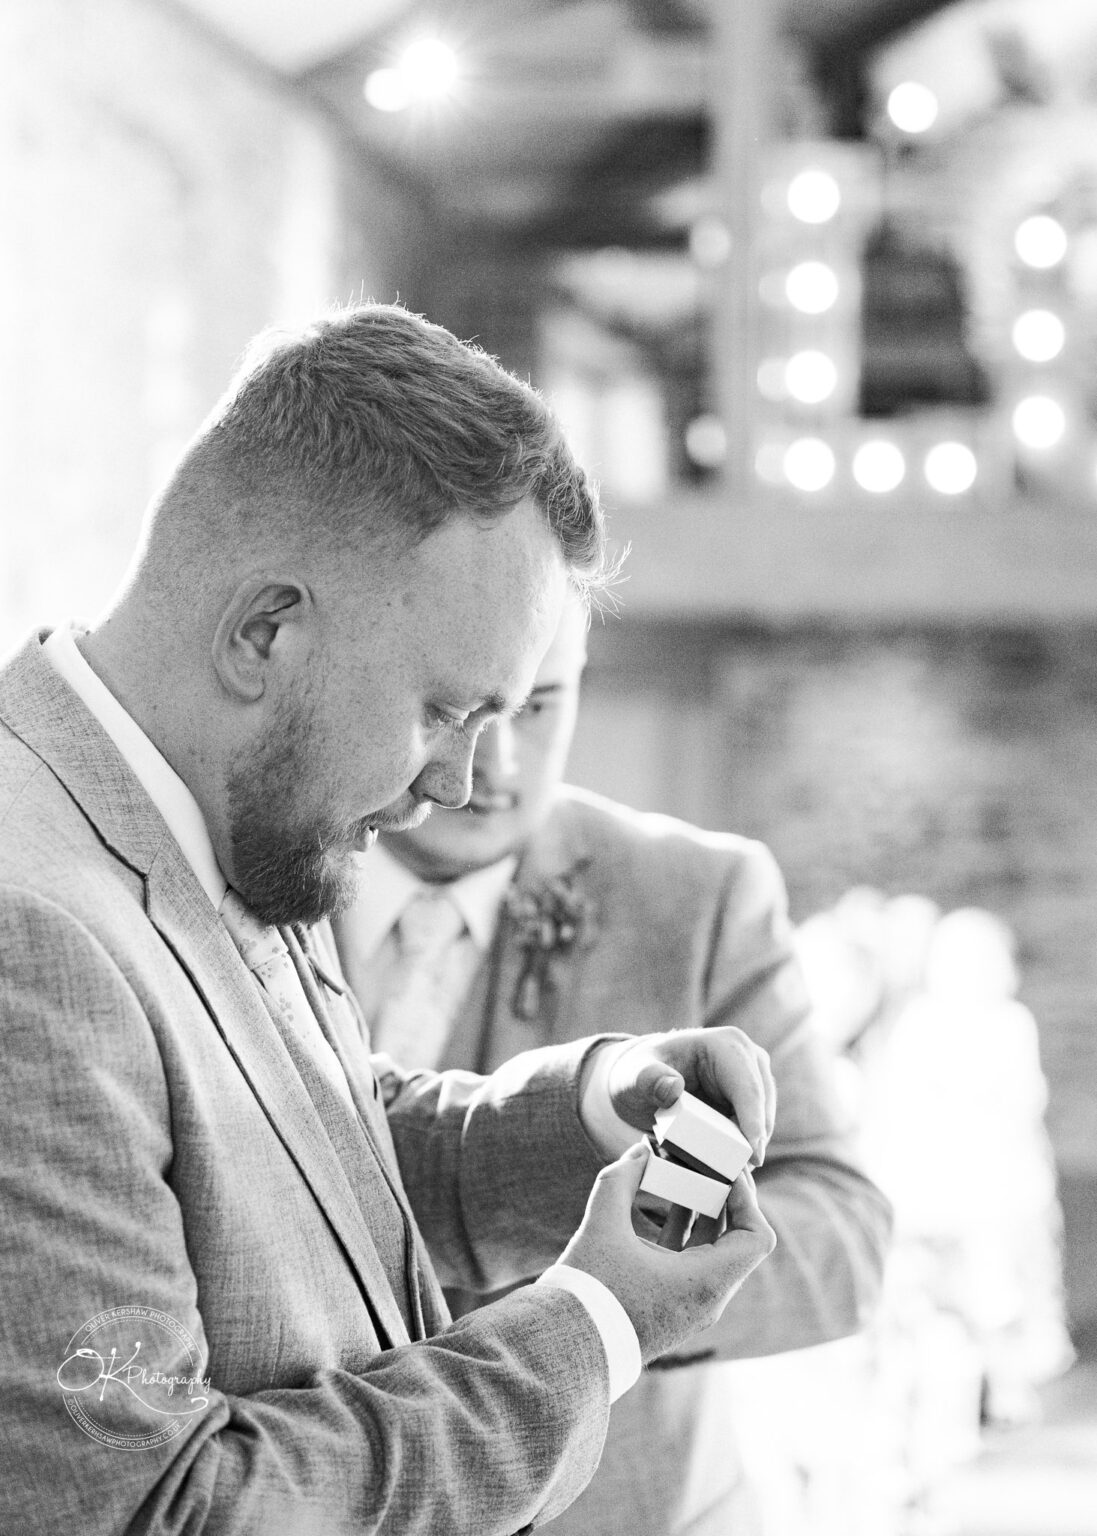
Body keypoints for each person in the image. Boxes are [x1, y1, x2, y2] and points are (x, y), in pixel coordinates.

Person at [0, 302, 789, 1536]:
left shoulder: (236, 803)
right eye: (442, 711)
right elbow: (166, 1511)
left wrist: (586, 1108)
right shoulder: (27, 932)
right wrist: (592, 1326)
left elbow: (300, 1152)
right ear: (266, 630)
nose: (462, 787)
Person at [332, 595, 893, 1536]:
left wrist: (617, 1293)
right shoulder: (269, 880)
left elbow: (841, 1237)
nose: (497, 767)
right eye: (458, 712)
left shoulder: (698, 895)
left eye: (542, 707)